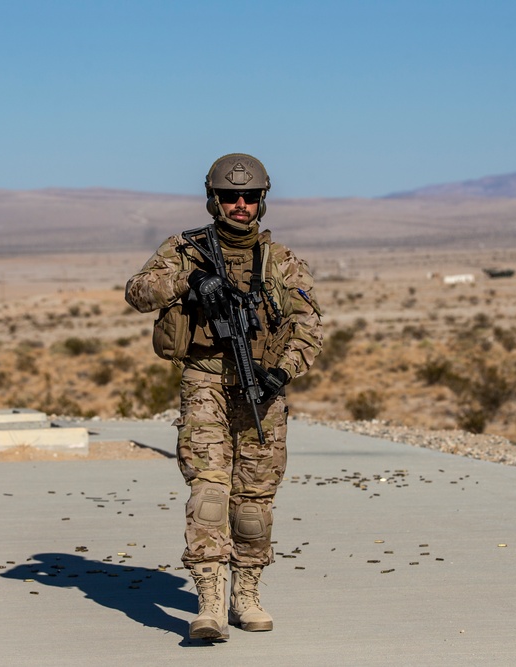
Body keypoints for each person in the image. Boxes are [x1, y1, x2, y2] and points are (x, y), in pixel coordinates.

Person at [125, 153, 323, 641]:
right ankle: (209, 600)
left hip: (261, 387)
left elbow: (308, 324)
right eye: (231, 196)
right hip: (206, 379)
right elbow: (137, 292)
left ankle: (247, 595)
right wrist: (188, 281)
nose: (241, 205)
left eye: (250, 197)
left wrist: (281, 373)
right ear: (214, 199)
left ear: (262, 200)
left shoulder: (280, 261)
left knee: (253, 502)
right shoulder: (185, 249)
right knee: (209, 492)